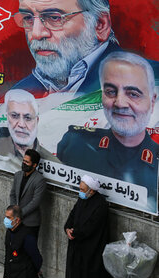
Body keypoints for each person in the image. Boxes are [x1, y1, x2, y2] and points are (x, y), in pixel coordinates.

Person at [58, 51, 159, 210]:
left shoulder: (156, 163)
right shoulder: (75, 144)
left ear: (152, 101)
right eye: (111, 91)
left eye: (133, 94)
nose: (120, 103)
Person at [11, 0, 120, 96]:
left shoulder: (140, 83)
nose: (36, 34)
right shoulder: (17, 94)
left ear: (100, 25)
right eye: (28, 18)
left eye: (54, 17)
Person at [64, 175, 110, 278]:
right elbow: (72, 215)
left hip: (91, 247)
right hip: (77, 243)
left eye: (83, 190)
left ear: (92, 191)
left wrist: (76, 232)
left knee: (88, 276)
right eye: (80, 189)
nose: (81, 192)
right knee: (75, 273)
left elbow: (92, 226)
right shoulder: (82, 199)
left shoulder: (100, 205)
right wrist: (68, 228)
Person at [0, 89, 58, 172]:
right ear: (7, 118)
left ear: (37, 121)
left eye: (28, 118)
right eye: (14, 116)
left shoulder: (54, 165)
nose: (21, 124)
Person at [8, 149, 46, 237]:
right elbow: (12, 194)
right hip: (15, 220)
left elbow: (35, 202)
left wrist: (20, 214)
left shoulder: (39, 180)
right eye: (23, 161)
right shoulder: (18, 175)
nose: (24, 163)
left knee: (27, 249)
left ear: (34, 165)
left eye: (27, 162)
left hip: (30, 223)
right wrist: (14, 212)